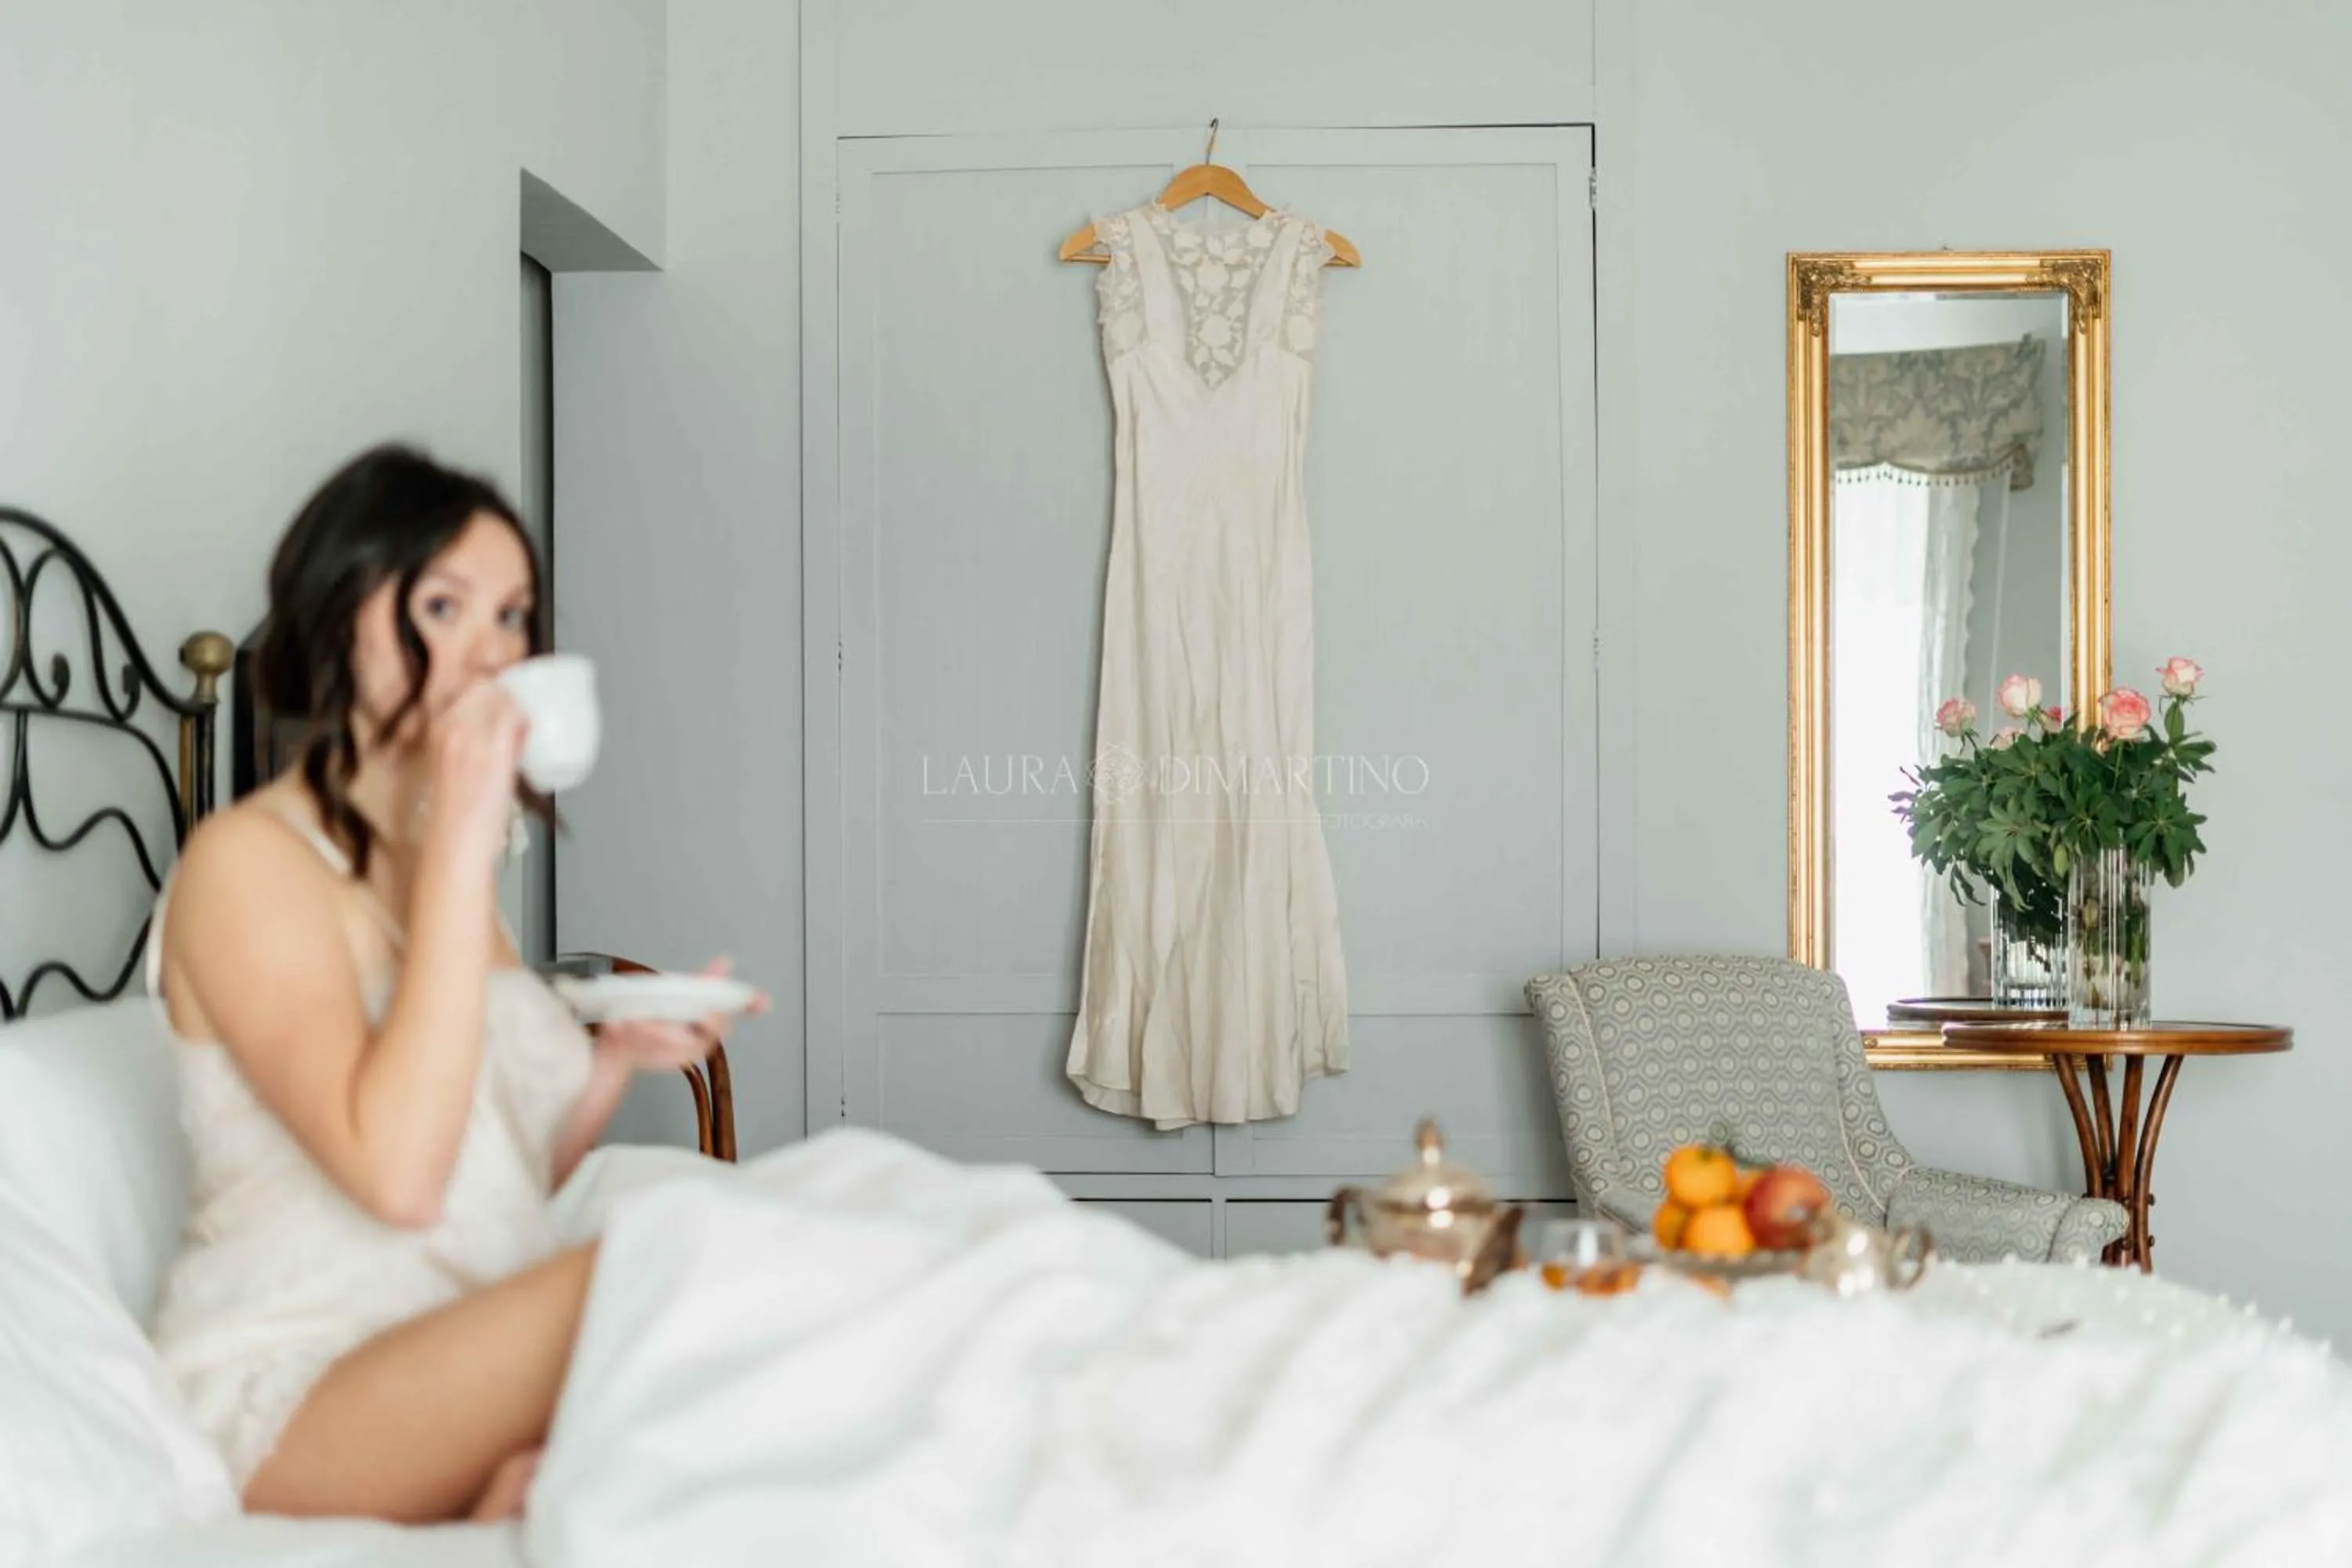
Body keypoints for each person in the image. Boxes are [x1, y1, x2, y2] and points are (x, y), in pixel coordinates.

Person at [145, 445, 757, 1523]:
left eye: (514, 617)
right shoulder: (244, 865)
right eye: (445, 607)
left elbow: (501, 1172)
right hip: (304, 1383)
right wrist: (468, 842)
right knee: (685, 1258)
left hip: (456, 1341)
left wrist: (613, 1060)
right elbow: (402, 1182)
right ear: (340, 618)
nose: (492, 653)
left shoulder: (439, 867)